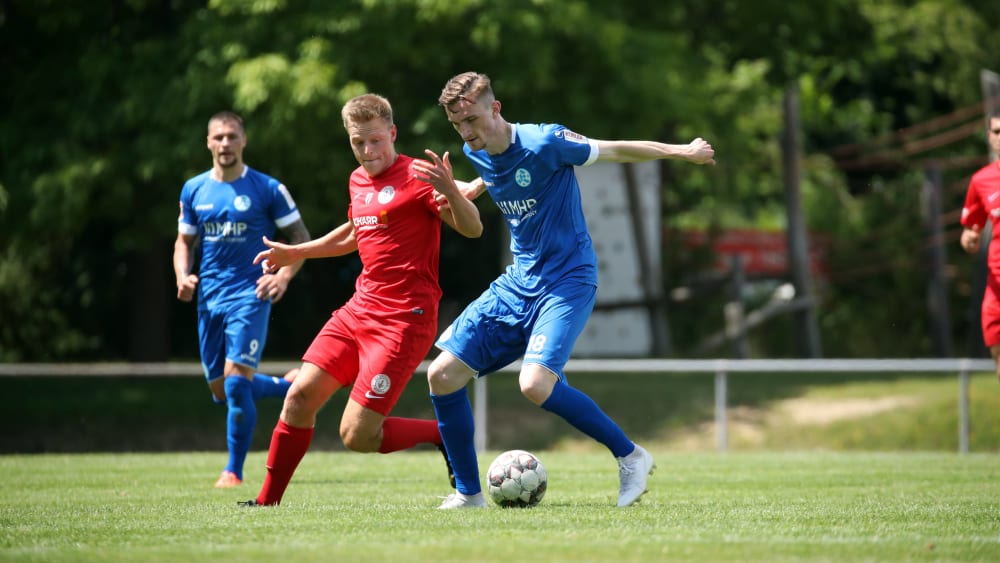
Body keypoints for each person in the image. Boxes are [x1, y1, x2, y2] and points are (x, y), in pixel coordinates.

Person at [422, 71, 716, 509]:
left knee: (534, 384)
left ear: (495, 109)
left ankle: (631, 456)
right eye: (458, 125)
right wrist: (470, 188)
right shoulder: (474, 150)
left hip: (567, 281)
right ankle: (469, 494)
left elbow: (613, 149)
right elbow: (502, 172)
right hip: (517, 283)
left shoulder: (547, 141)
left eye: (472, 120)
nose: (466, 133)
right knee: (441, 376)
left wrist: (682, 151)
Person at [239, 93, 483, 507]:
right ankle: (265, 504)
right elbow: (355, 233)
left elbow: (473, 228)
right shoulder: (357, 179)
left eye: (375, 140)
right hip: (358, 311)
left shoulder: (420, 176)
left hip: (404, 320)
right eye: (358, 143)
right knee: (298, 398)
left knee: (356, 435)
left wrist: (455, 191)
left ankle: (443, 435)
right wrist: (296, 252)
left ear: (392, 133)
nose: (368, 151)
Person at [174, 111, 312, 488]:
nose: (225, 144)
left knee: (236, 385)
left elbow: (300, 238)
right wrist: (182, 276)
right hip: (209, 299)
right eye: (218, 137)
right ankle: (285, 387)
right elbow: (184, 242)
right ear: (208, 142)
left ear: (243, 140)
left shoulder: (267, 188)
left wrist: (282, 276)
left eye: (232, 136)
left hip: (251, 294)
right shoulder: (194, 189)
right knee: (222, 390)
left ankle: (233, 470)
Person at [959, 112, 1000, 379]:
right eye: (997, 132)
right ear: (989, 137)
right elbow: (969, 229)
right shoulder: (981, 180)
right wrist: (969, 240)